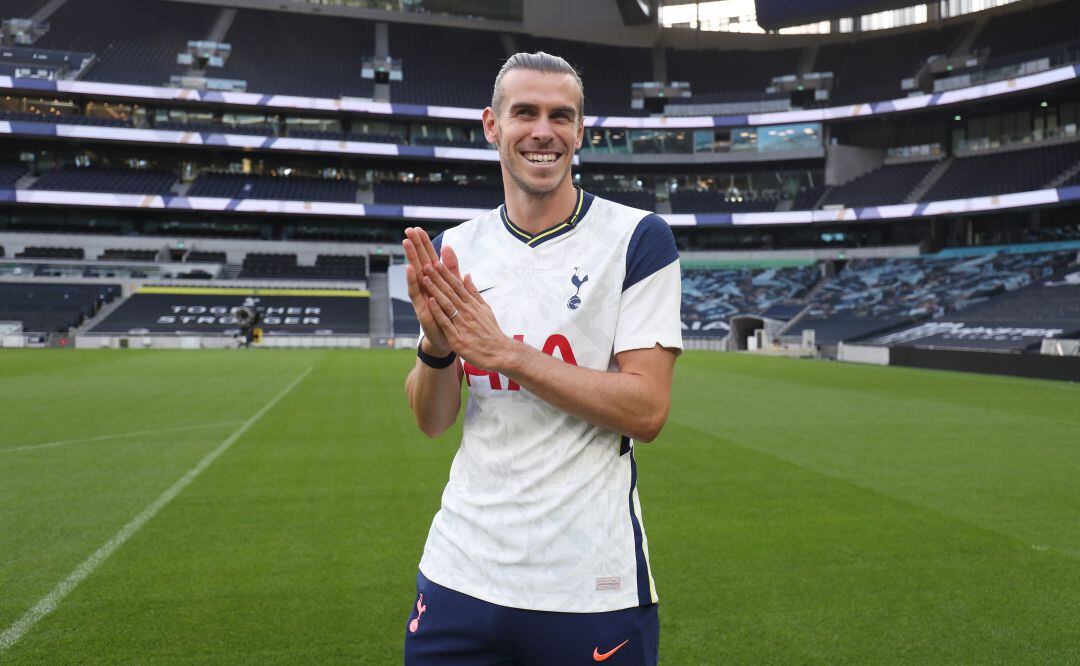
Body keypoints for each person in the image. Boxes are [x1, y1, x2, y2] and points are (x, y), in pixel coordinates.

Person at [400, 51, 682, 666]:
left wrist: (508, 354)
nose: (543, 131)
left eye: (562, 115)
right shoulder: (454, 249)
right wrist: (438, 346)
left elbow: (648, 408)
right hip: (459, 570)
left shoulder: (638, 238)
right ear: (491, 125)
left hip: (589, 584)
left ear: (581, 132)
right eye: (524, 112)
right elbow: (432, 420)